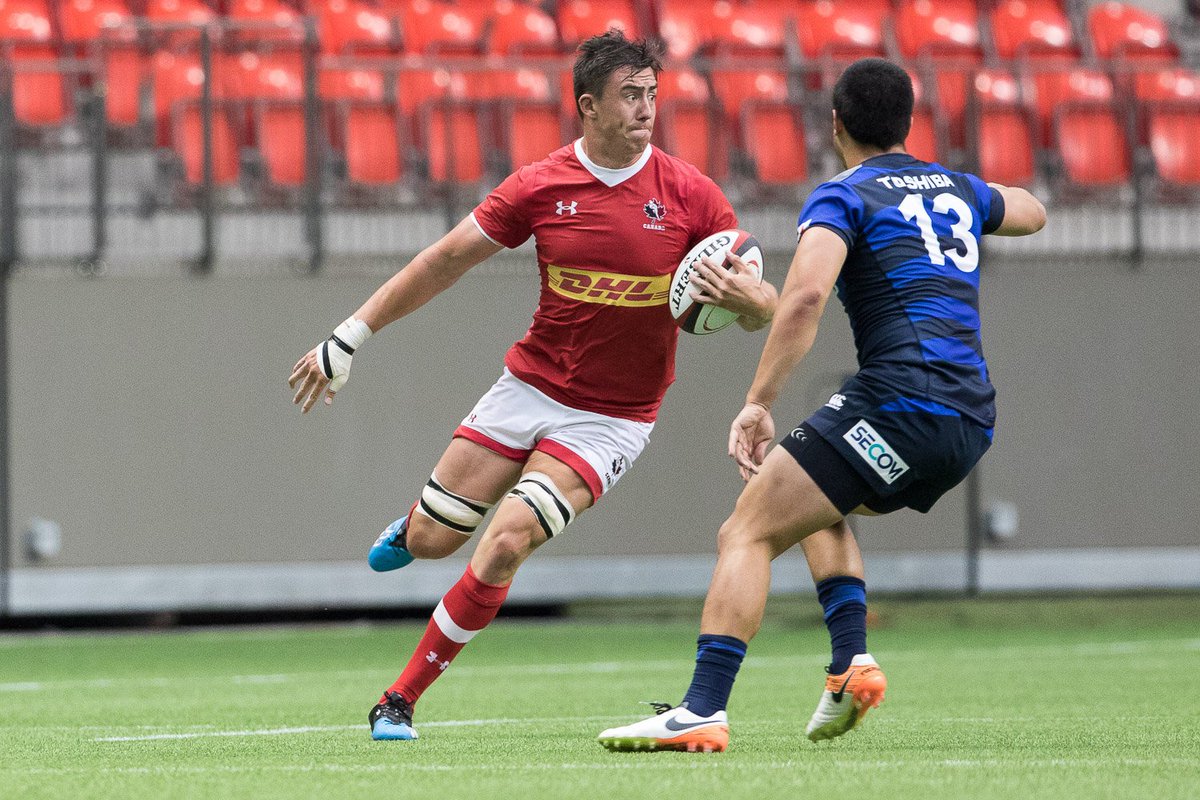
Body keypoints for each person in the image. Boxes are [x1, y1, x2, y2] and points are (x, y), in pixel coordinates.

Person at [287, 30, 779, 741]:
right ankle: (415, 529)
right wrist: (350, 335)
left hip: (613, 416)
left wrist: (747, 301)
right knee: (433, 541)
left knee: (507, 541)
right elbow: (445, 259)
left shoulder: (692, 197)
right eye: (629, 96)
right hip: (528, 388)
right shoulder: (542, 185)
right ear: (587, 106)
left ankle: (398, 699)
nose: (646, 109)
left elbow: (762, 307)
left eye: (652, 94)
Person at [597, 57, 1046, 753]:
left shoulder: (842, 196)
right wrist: (976, 194)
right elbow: (1032, 210)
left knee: (744, 532)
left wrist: (757, 401)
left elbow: (804, 297)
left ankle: (701, 711)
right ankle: (849, 665)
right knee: (811, 494)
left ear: (835, 123)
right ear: (908, 123)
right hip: (968, 420)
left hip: (900, 401)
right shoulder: (956, 189)